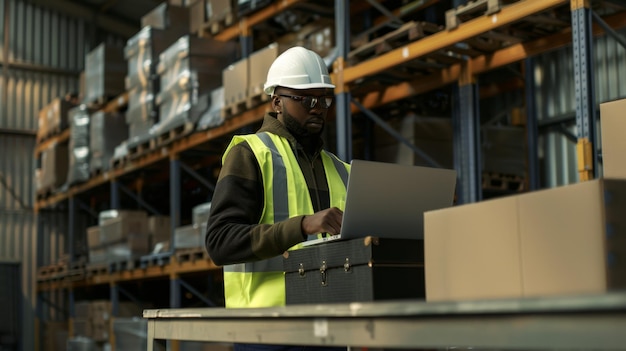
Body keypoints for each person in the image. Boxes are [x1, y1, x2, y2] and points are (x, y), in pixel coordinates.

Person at [205, 46, 350, 351]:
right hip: (266, 332)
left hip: (330, 327)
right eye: (306, 99)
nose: (318, 108)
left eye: (324, 100)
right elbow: (220, 242)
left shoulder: (340, 169)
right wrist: (302, 226)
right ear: (277, 102)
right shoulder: (250, 154)